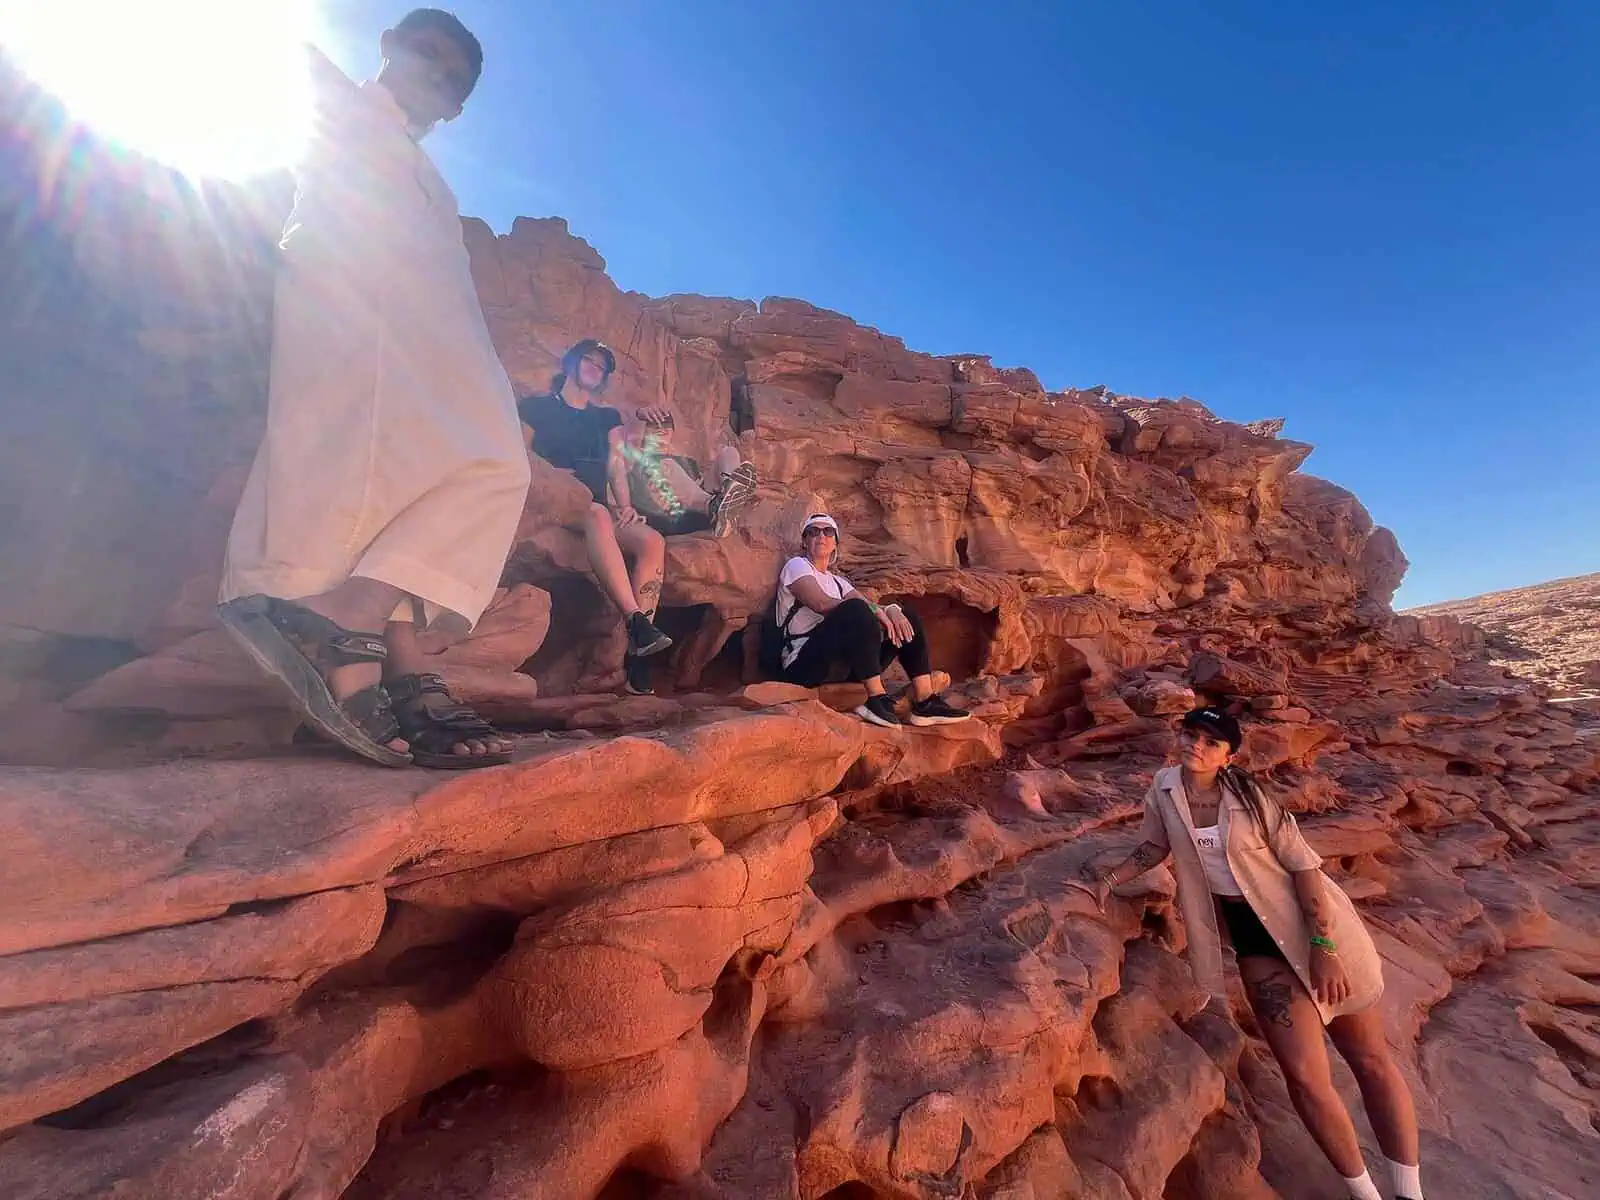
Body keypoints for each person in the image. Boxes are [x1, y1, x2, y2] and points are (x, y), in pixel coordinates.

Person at [218, 9, 527, 771]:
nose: (434, 78)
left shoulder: (426, 171)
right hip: (359, 306)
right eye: (426, 54)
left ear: (456, 110)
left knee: (439, 471)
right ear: (388, 47)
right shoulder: (343, 103)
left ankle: (387, 648)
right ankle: (343, 625)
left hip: (419, 326)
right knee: (483, 461)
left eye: (452, 80)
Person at [1072, 707, 1423, 1200]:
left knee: (1369, 1059)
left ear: (1228, 756)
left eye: (1210, 742)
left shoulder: (1252, 798)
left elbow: (1304, 868)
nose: (1196, 746)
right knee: (1305, 1079)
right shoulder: (1165, 789)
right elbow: (1154, 847)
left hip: (1315, 931)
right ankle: (1365, 1194)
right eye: (1190, 734)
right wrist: (1110, 878)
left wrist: (1323, 947)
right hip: (1254, 942)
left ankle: (1410, 1193)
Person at [517, 339, 673, 696]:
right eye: (588, 359)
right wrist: (551, 478)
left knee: (651, 541)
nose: (594, 367)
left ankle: (639, 654)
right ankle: (635, 620)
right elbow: (521, 454)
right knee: (596, 512)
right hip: (556, 497)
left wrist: (626, 505)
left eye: (601, 366)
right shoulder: (537, 407)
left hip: (596, 503)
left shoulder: (607, 418)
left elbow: (616, 465)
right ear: (571, 363)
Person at [775, 513, 972, 728]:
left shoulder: (839, 583)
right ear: (804, 541)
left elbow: (869, 606)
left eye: (827, 531)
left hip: (843, 667)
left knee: (906, 616)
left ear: (835, 543)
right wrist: (876, 611)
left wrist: (892, 610)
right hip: (804, 665)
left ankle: (925, 701)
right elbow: (822, 603)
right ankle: (876, 698)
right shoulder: (797, 566)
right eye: (813, 532)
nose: (821, 536)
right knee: (855, 609)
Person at [624, 407, 757, 539]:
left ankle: (728, 498)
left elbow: (700, 484)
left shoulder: (688, 462)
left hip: (699, 505)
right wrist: (638, 414)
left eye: (665, 424)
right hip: (672, 516)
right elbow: (621, 444)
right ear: (644, 434)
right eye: (653, 425)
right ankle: (715, 507)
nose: (660, 428)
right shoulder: (638, 464)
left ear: (671, 432)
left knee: (729, 452)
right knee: (665, 464)